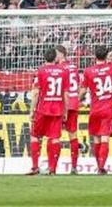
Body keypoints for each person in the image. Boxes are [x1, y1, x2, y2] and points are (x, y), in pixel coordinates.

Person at [28, 46, 70, 175]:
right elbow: (66, 94)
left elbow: (35, 93)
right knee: (54, 138)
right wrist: (66, 111)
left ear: (44, 57)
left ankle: (35, 167)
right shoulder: (63, 71)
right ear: (55, 58)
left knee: (35, 136)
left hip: (42, 109)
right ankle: (52, 169)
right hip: (57, 109)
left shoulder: (40, 71)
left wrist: (31, 110)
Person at [81, 44, 112, 175]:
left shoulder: (88, 71)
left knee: (96, 139)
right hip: (108, 108)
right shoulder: (111, 67)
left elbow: (83, 90)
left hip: (95, 108)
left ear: (94, 56)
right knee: (105, 138)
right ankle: (101, 167)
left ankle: (99, 166)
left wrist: (78, 100)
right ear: (106, 56)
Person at [57, 45, 83, 173]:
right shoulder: (74, 67)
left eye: (56, 54)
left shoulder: (58, 68)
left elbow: (62, 89)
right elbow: (78, 85)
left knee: (55, 135)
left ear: (61, 54)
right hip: (74, 102)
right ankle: (74, 167)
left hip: (62, 104)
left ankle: (52, 166)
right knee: (73, 135)